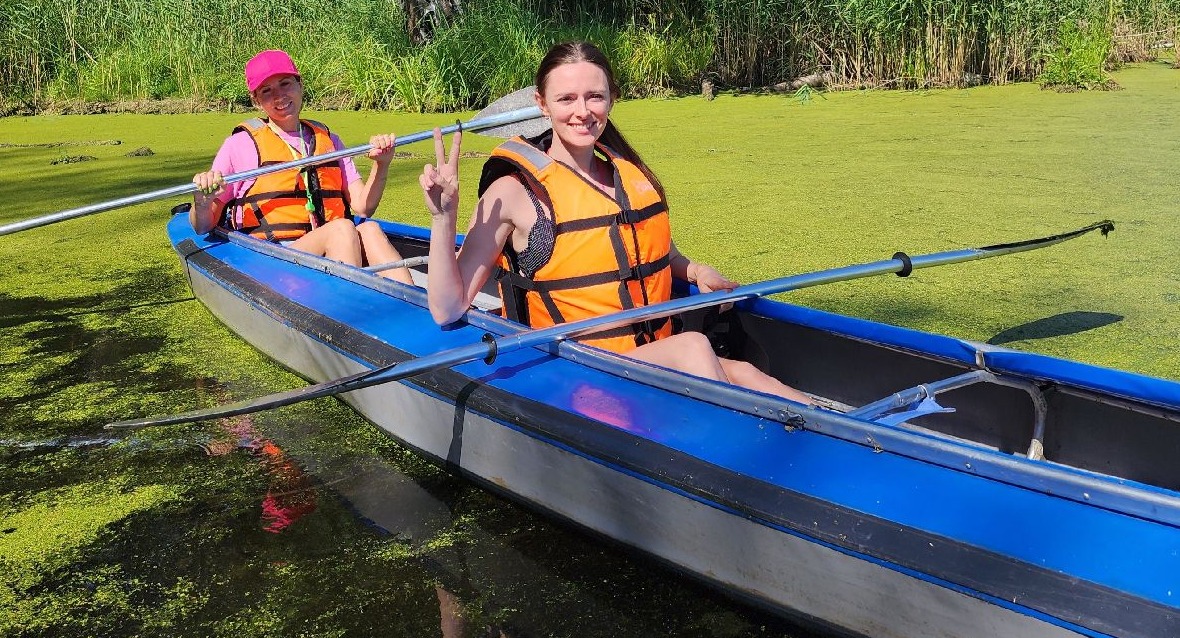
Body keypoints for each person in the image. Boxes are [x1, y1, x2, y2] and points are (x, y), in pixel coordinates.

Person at [418, 40, 814, 405]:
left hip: (652, 356)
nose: (582, 111)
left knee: (748, 373)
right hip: (583, 370)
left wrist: (694, 270)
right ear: (542, 104)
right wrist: (443, 217)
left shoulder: (626, 176)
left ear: (612, 99)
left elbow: (655, 252)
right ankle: (735, 444)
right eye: (566, 98)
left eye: (594, 96)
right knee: (694, 347)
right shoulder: (512, 192)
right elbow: (447, 309)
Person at [191, 49, 409, 282]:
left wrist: (382, 164)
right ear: (256, 100)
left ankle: (412, 301)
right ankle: (344, 301)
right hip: (273, 256)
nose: (279, 95)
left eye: (285, 83)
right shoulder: (240, 145)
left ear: (300, 84)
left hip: (331, 245)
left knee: (369, 229)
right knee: (342, 228)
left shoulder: (329, 141)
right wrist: (202, 203)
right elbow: (202, 227)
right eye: (266, 91)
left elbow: (363, 207)